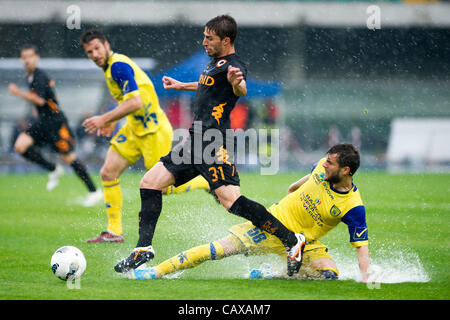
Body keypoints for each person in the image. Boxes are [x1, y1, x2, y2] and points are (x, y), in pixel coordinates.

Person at [113, 15, 305, 277]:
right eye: (204, 36)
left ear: (226, 41)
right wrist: (182, 86)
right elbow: (209, 86)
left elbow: (240, 89)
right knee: (149, 183)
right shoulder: (214, 64)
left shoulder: (234, 66)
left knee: (232, 202)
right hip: (195, 140)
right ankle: (143, 248)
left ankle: (292, 240)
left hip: (212, 143)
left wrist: (238, 83)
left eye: (209, 38)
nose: (204, 42)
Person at [130, 143, 370, 282]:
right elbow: (312, 175)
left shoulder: (353, 206)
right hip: (271, 226)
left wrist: (365, 277)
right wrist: (293, 187)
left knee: (329, 274)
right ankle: (156, 271)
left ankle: (272, 273)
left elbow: (362, 246)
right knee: (216, 251)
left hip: (304, 241)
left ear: (346, 170)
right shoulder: (323, 167)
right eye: (326, 160)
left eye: (331, 163)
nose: (324, 164)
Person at [80, 30, 208, 243]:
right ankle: (114, 232)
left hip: (154, 131)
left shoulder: (118, 66)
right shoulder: (109, 69)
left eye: (96, 48)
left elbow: (135, 102)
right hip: (133, 129)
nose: (94, 54)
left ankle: (204, 181)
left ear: (106, 45)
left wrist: (104, 118)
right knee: (108, 172)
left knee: (163, 188)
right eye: (89, 51)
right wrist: (112, 120)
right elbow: (129, 102)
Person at [8, 45, 102, 207]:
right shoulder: (30, 77)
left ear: (36, 57)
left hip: (56, 122)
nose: (27, 60)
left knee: (69, 158)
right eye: (24, 57)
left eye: (30, 56)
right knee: (20, 146)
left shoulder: (39, 76)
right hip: (42, 122)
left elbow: (40, 100)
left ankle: (94, 191)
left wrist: (18, 93)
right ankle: (53, 168)